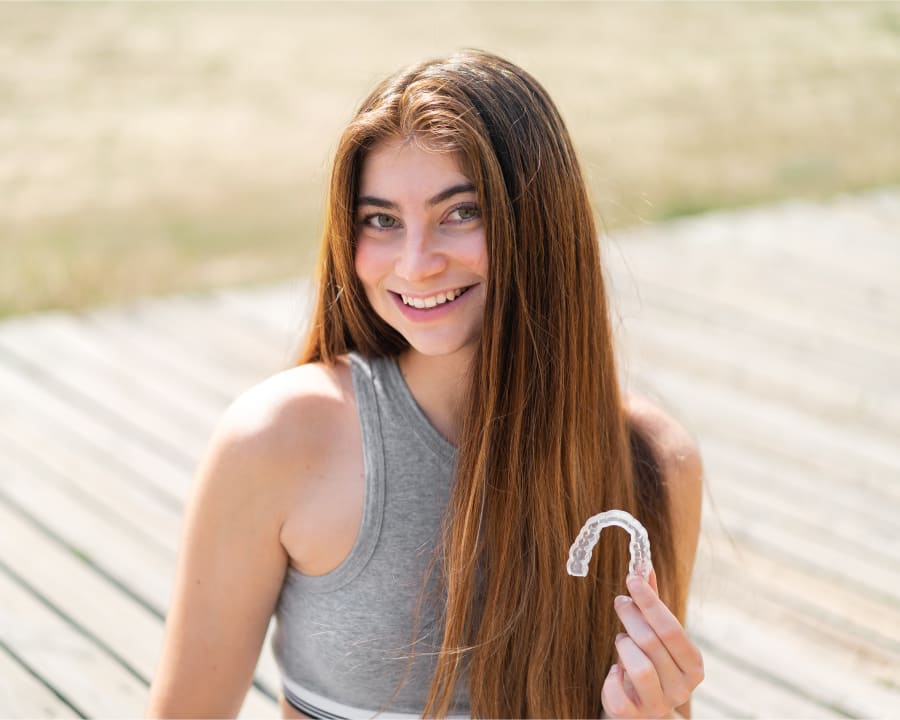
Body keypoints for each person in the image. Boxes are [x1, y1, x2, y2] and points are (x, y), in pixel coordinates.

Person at [146, 49, 704, 719]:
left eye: (459, 212)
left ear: (540, 224)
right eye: (381, 220)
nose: (416, 263)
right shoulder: (278, 440)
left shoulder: (653, 462)